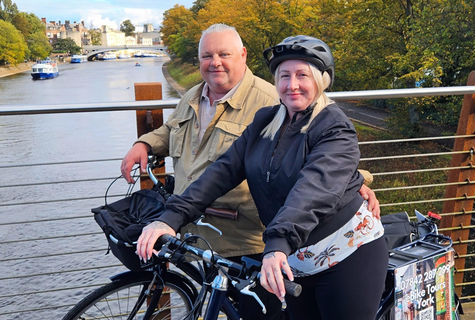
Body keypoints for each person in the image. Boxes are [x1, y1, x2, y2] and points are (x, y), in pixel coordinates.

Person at [136, 35, 388, 320]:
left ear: (321, 80)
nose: (292, 85)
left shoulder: (335, 128)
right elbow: (223, 171)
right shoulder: (266, 121)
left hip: (346, 254)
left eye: (302, 75)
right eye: (284, 76)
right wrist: (169, 218)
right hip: (295, 258)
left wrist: (277, 243)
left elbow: (313, 189)